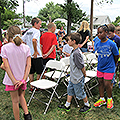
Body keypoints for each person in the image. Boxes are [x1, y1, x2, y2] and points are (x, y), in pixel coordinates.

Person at [1, 26, 32, 120]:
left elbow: (6, 66)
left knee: (15, 101)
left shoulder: (5, 48)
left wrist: (14, 81)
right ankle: (27, 115)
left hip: (11, 80)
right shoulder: (26, 47)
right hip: (23, 78)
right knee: (21, 96)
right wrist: (23, 79)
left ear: (7, 35)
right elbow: (28, 65)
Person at [58, 32, 91, 113]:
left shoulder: (76, 53)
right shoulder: (74, 51)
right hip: (73, 77)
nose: (67, 42)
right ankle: (67, 105)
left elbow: (81, 66)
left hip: (78, 77)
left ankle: (87, 105)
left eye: (69, 40)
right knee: (70, 90)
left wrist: (84, 74)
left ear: (74, 41)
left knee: (80, 92)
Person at [93, 25, 119, 109]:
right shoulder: (97, 44)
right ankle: (102, 99)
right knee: (100, 82)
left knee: (107, 84)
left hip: (109, 67)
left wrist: (114, 64)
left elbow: (116, 55)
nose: (99, 35)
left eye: (100, 32)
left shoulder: (112, 44)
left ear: (106, 33)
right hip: (100, 67)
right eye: (98, 33)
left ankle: (109, 99)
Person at [22, 17, 44, 92]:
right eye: (39, 24)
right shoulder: (36, 31)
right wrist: (35, 51)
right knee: (39, 72)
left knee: (31, 72)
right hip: (36, 55)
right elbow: (34, 40)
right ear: (35, 23)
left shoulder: (28, 31)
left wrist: (27, 48)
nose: (40, 26)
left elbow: (22, 40)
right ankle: (37, 86)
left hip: (29, 55)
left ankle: (32, 87)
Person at [107, 24, 120, 88]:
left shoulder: (117, 39)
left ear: (114, 32)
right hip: (108, 59)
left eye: (109, 33)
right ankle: (111, 82)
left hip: (115, 58)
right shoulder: (106, 38)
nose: (108, 35)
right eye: (107, 34)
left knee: (115, 71)